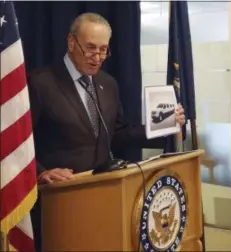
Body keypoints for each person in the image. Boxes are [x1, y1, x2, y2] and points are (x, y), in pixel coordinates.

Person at [28, 12, 185, 184]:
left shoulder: (108, 84)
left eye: (103, 50)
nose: (97, 58)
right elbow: (14, 143)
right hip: (58, 194)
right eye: (90, 48)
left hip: (103, 189)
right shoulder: (39, 83)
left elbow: (118, 134)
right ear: (71, 42)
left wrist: (163, 124)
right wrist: (41, 173)